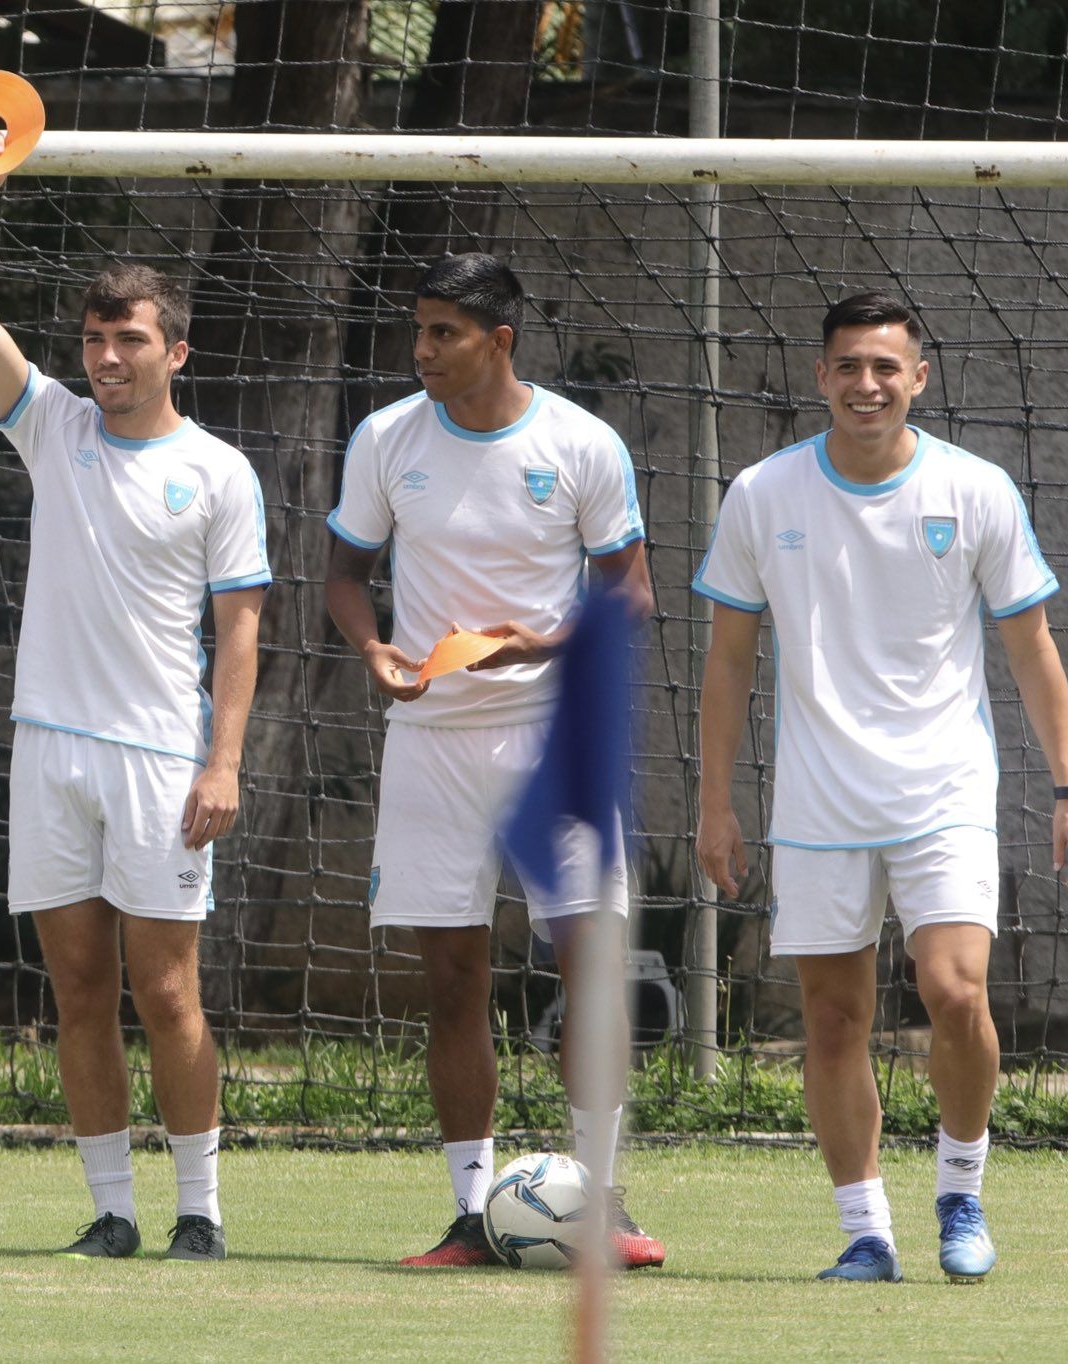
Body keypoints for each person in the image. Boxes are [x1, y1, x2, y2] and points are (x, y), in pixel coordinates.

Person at [695, 292, 1068, 1284]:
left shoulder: (973, 487)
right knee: (829, 1018)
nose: (866, 385)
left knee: (952, 990)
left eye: (884, 367)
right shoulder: (760, 493)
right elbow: (727, 658)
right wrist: (713, 801)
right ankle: (864, 1231)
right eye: (847, 366)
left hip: (942, 785)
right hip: (816, 799)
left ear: (917, 377)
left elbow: (1029, 648)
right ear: (820, 377)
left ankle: (959, 1193)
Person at [0, 134, 269, 1262]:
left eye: (126, 339)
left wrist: (220, 761)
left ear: (172, 350)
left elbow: (239, 626)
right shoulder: (54, 428)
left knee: (165, 989)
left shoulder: (220, 470)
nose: (104, 357)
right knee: (75, 989)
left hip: (156, 759)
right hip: (49, 752)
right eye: (92, 339)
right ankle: (112, 1209)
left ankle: (199, 1209)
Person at [323, 253, 663, 1269]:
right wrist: (372, 644)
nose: (420, 350)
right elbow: (343, 572)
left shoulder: (579, 443)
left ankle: (598, 1197)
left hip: (553, 737)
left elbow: (630, 597)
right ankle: (470, 1215)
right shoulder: (384, 438)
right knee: (450, 974)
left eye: (442, 333)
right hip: (431, 741)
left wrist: (536, 642)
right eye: (417, 331)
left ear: (498, 340)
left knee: (585, 963)